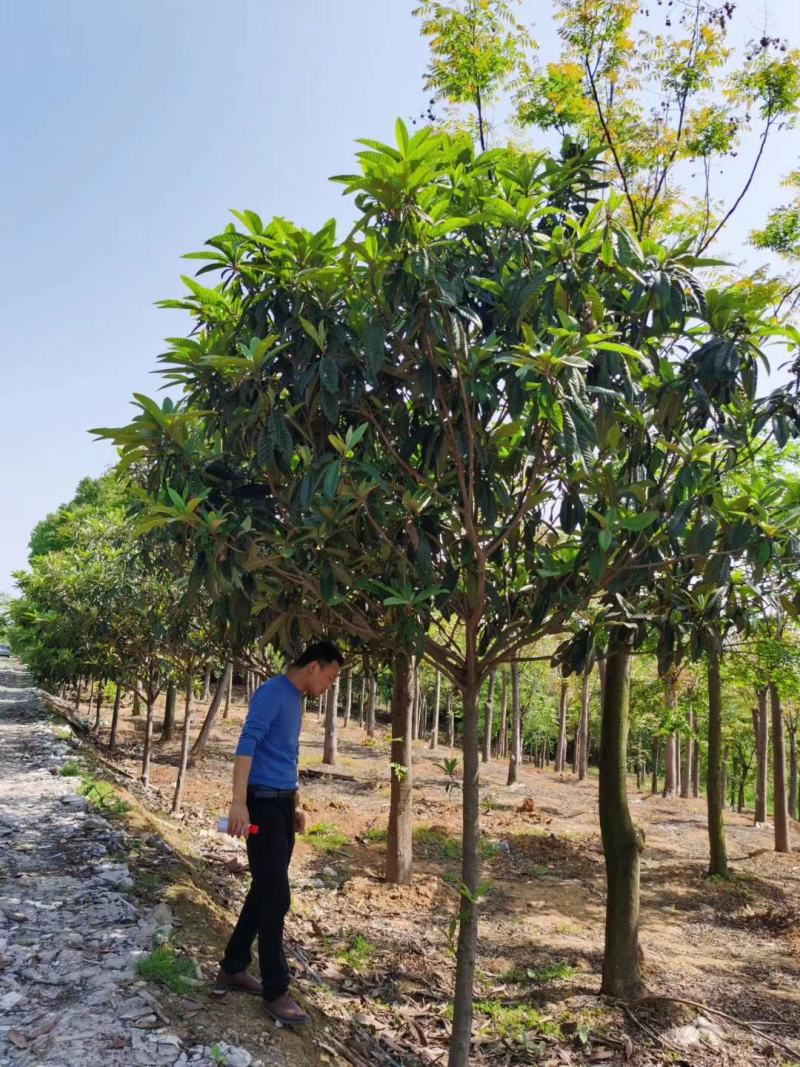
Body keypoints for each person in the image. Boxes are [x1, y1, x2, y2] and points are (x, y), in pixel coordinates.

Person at [214, 640, 343, 1025]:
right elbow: (246, 745)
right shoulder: (273, 693)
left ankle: (234, 967)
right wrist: (239, 803)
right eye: (332, 677)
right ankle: (276, 990)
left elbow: (285, 754)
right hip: (263, 805)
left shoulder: (296, 698)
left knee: (265, 888)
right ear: (314, 667)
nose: (331, 685)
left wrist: (297, 803)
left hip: (282, 803)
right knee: (277, 897)